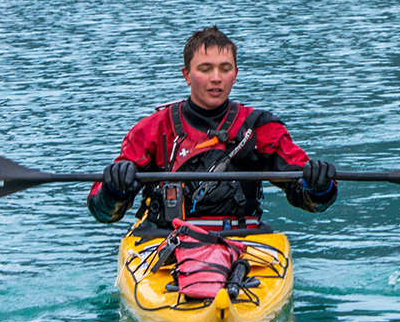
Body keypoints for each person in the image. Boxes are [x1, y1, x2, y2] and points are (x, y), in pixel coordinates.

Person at [87, 25, 338, 230]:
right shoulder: (152, 130)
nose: (216, 78)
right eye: (205, 69)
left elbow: (309, 197)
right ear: (187, 75)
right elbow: (103, 211)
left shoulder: (260, 128)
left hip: (242, 239)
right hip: (165, 238)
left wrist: (319, 185)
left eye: (224, 69)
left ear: (235, 74)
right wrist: (114, 188)